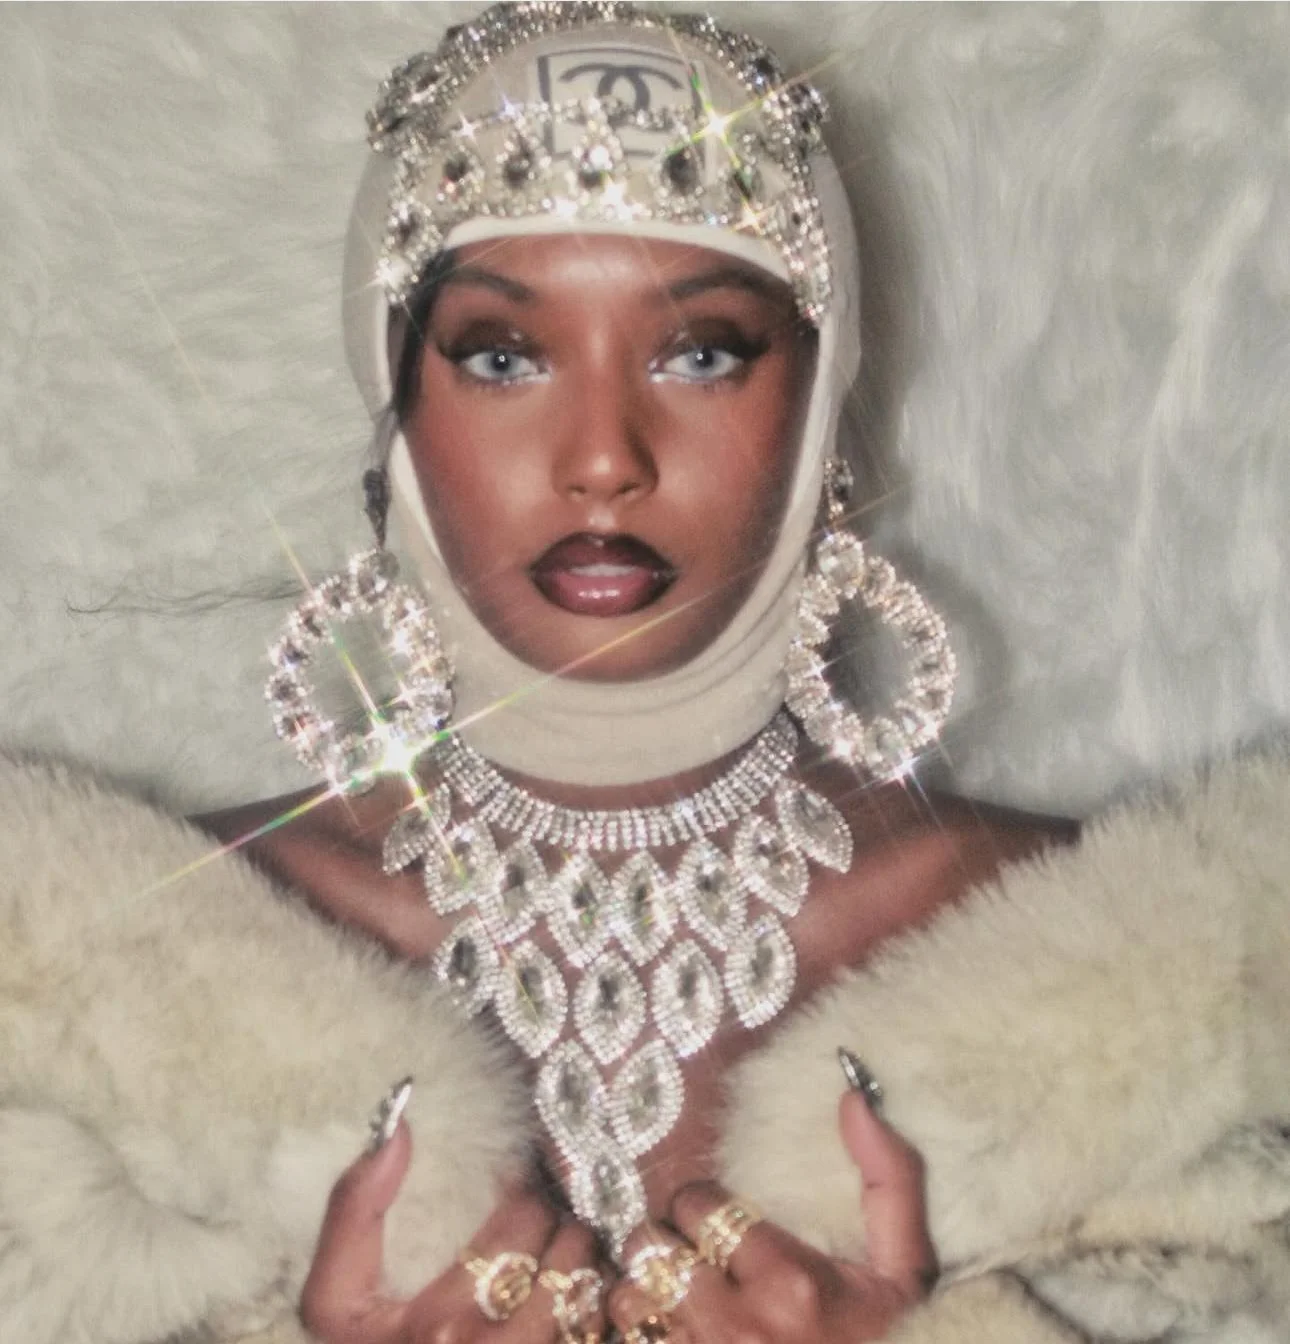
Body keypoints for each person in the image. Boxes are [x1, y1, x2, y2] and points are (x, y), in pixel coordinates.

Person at [3, 5, 1288, 1344]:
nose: (604, 454)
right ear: (391, 410)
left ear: (817, 405)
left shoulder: (1180, 992)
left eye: (700, 352)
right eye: (503, 356)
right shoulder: (84, 1008)